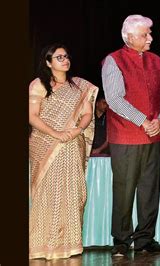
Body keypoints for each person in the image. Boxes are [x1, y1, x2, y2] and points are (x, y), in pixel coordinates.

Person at [101, 14, 160, 256]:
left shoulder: (156, 61)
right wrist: (144, 121)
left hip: (153, 136)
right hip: (126, 137)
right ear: (129, 37)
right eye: (145, 35)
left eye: (149, 34)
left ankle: (145, 239)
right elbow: (113, 99)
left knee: (149, 190)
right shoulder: (114, 60)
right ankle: (121, 240)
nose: (150, 38)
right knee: (124, 189)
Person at [29, 43, 98, 260]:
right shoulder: (39, 85)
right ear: (49, 63)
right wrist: (55, 133)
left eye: (66, 56)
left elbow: (87, 113)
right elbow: (32, 116)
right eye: (59, 57)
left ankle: (69, 246)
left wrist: (77, 129)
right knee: (47, 194)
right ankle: (41, 246)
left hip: (71, 144)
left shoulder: (79, 87)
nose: (65, 60)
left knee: (72, 194)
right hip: (46, 143)